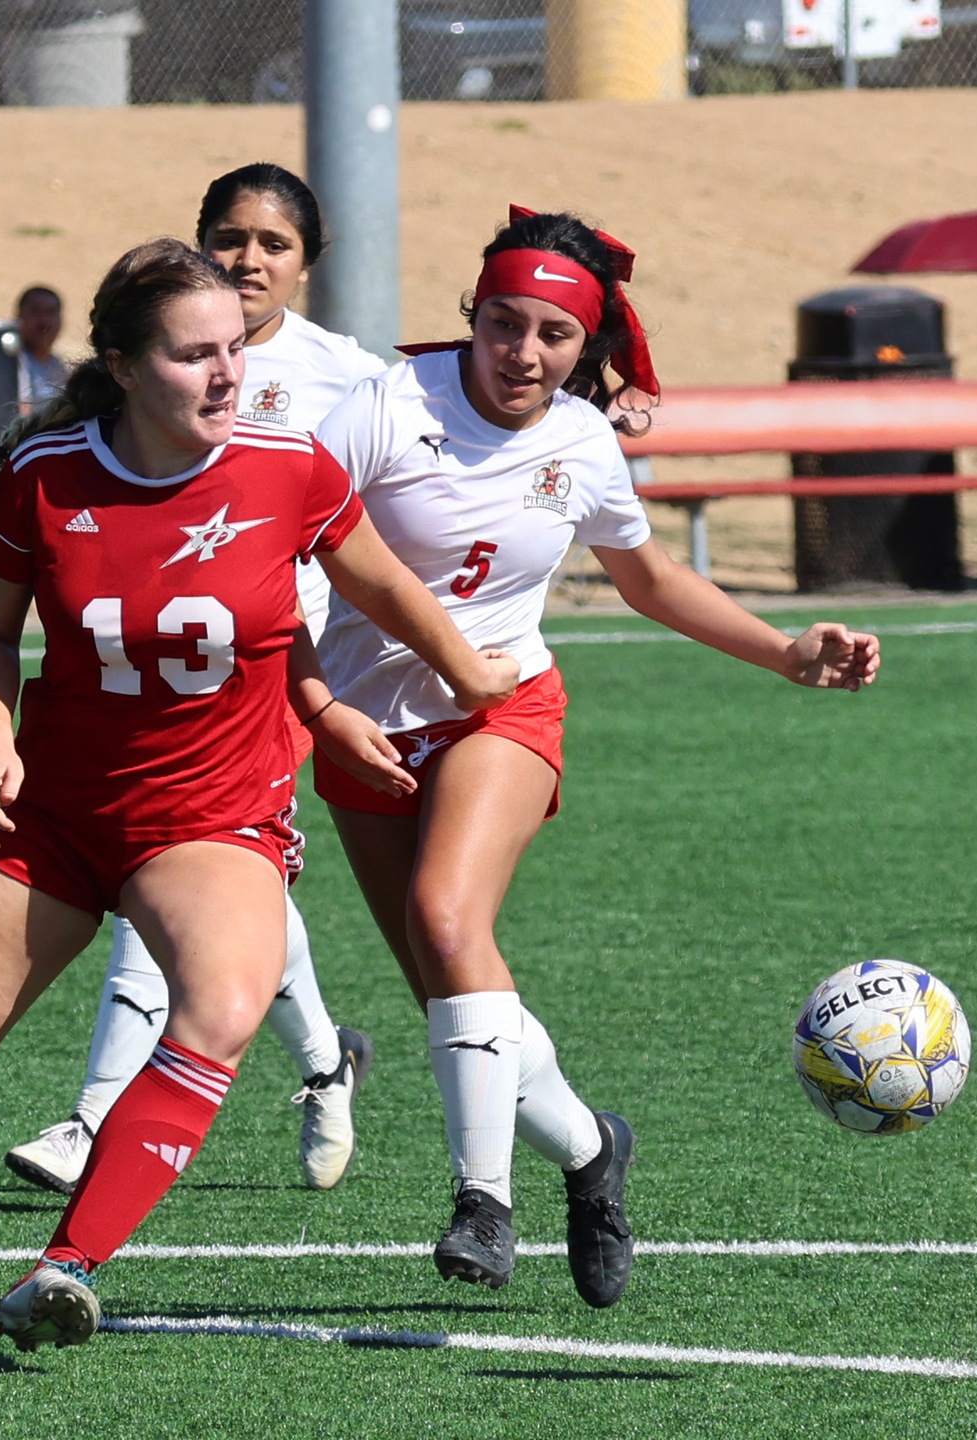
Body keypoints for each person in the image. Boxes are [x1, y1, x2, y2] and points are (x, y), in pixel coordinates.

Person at [0, 239, 516, 1353]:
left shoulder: (292, 469)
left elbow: (381, 585)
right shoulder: (49, 478)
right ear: (125, 367)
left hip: (215, 819)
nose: (226, 374)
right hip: (60, 820)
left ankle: (66, 1269)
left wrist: (477, 688)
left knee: (224, 1008)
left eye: (234, 348)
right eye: (193, 356)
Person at [311, 208, 880, 1308]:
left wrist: (783, 652)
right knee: (453, 991)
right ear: (469, 315)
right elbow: (273, 566)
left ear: (587, 348)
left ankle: (483, 1203)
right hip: (364, 724)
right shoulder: (381, 409)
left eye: (554, 336)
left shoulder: (580, 440)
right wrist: (322, 710)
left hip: (505, 708)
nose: (523, 353)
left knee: (446, 920)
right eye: (504, 324)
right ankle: (589, 1153)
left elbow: (650, 579)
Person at [5, 163, 389, 1197]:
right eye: (230, 235)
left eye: (274, 243)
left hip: (268, 680)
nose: (249, 257)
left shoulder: (350, 377)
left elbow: (428, 458)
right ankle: (323, 1060)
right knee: (228, 899)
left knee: (164, 883)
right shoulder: (149, 362)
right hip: (155, 674)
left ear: (309, 264)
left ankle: (93, 1120)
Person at [15, 285, 69, 413]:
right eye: (35, 311)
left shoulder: (58, 367)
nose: (43, 321)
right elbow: (23, 413)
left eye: (50, 312)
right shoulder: (13, 364)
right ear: (19, 318)